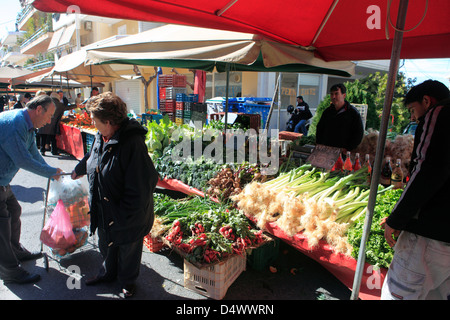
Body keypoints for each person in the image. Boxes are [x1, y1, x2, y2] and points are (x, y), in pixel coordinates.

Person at [71, 92, 158, 298]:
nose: (92, 123)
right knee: (107, 245)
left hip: (127, 214)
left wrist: (122, 216)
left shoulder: (132, 144)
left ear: (109, 121)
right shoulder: (102, 136)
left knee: (127, 250)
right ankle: (107, 273)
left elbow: (141, 187)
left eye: (94, 119)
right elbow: (94, 155)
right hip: (104, 207)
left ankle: (128, 282)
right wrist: (80, 168)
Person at [381, 80, 450, 300]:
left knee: (397, 294)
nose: (413, 118)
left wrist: (396, 219)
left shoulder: (439, 114)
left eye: (413, 110)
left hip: (429, 234)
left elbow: (427, 170)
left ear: (427, 101)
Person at [0, 95, 63, 284]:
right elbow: (23, 160)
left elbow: (33, 153)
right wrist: (50, 173)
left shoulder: (28, 125)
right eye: (49, 116)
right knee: (1, 226)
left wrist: (51, 171)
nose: (49, 121)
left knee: (14, 210)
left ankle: (16, 251)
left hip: (3, 180)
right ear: (38, 110)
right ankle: (10, 272)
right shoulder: (14, 124)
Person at [315, 83, 364, 151]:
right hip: (326, 150)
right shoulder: (327, 112)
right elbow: (320, 128)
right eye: (332, 94)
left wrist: (348, 148)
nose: (333, 96)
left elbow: (358, 133)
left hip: (343, 152)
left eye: (336, 93)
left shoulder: (353, 113)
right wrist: (319, 144)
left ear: (344, 95)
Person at [38, 92, 74, 156]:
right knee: (53, 138)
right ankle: (54, 151)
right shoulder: (60, 104)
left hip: (44, 122)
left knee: (43, 137)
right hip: (53, 124)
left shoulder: (45, 103)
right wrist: (76, 105)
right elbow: (67, 107)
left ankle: (42, 150)